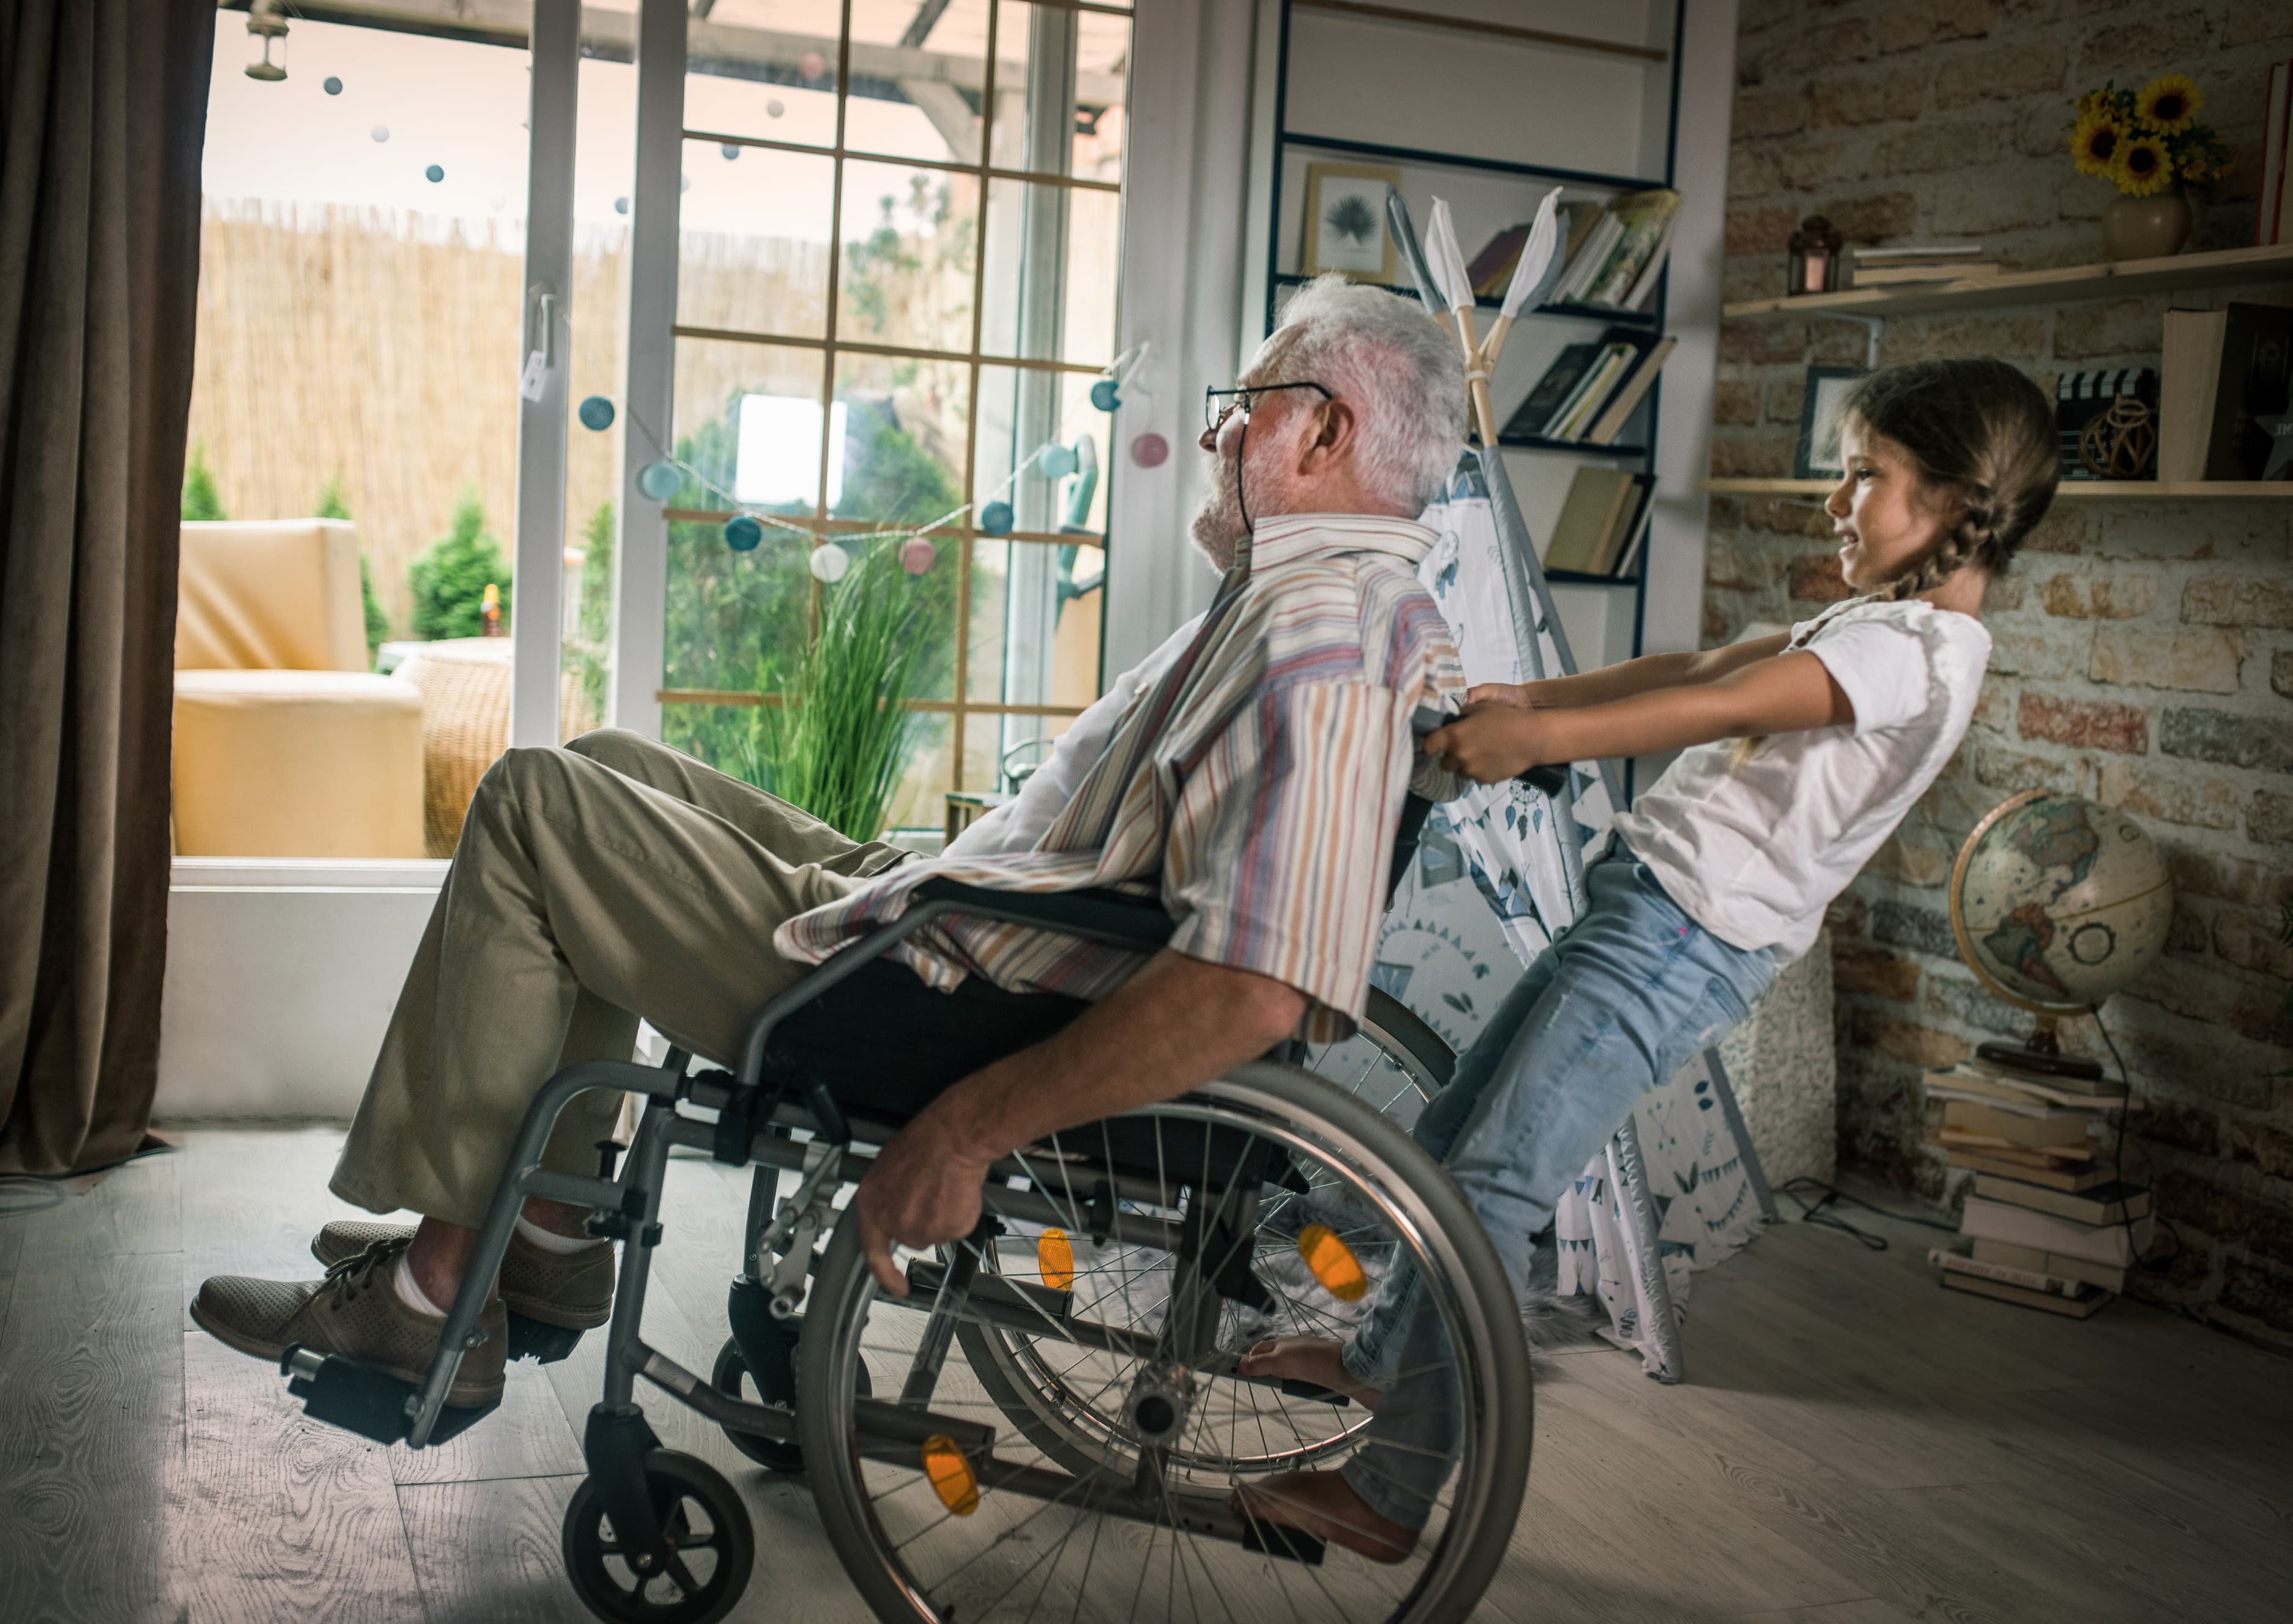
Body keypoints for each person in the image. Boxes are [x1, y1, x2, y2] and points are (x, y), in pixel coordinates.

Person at [188, 273, 1469, 1407]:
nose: (1215, 432)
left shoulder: (1325, 636)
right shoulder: (1323, 604)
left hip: (939, 992)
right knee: (600, 765)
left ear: (1322, 428)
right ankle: (553, 1242)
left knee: (532, 804)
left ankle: (433, 1294)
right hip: (945, 923)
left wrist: (968, 1127)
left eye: (1240, 403)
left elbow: (1256, 984)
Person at [1234, 356, 2061, 1560]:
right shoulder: (1887, 627)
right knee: (1458, 1132)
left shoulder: (1917, 654)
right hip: (1649, 910)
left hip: (1680, 941)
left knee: (1491, 1184)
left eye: (1864, 475)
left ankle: (1395, 1486)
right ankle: (1378, 1359)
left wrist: (1544, 739)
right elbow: (1696, 670)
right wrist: (1531, 693)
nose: (1838, 499)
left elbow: (1726, 711)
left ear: (1948, 500)